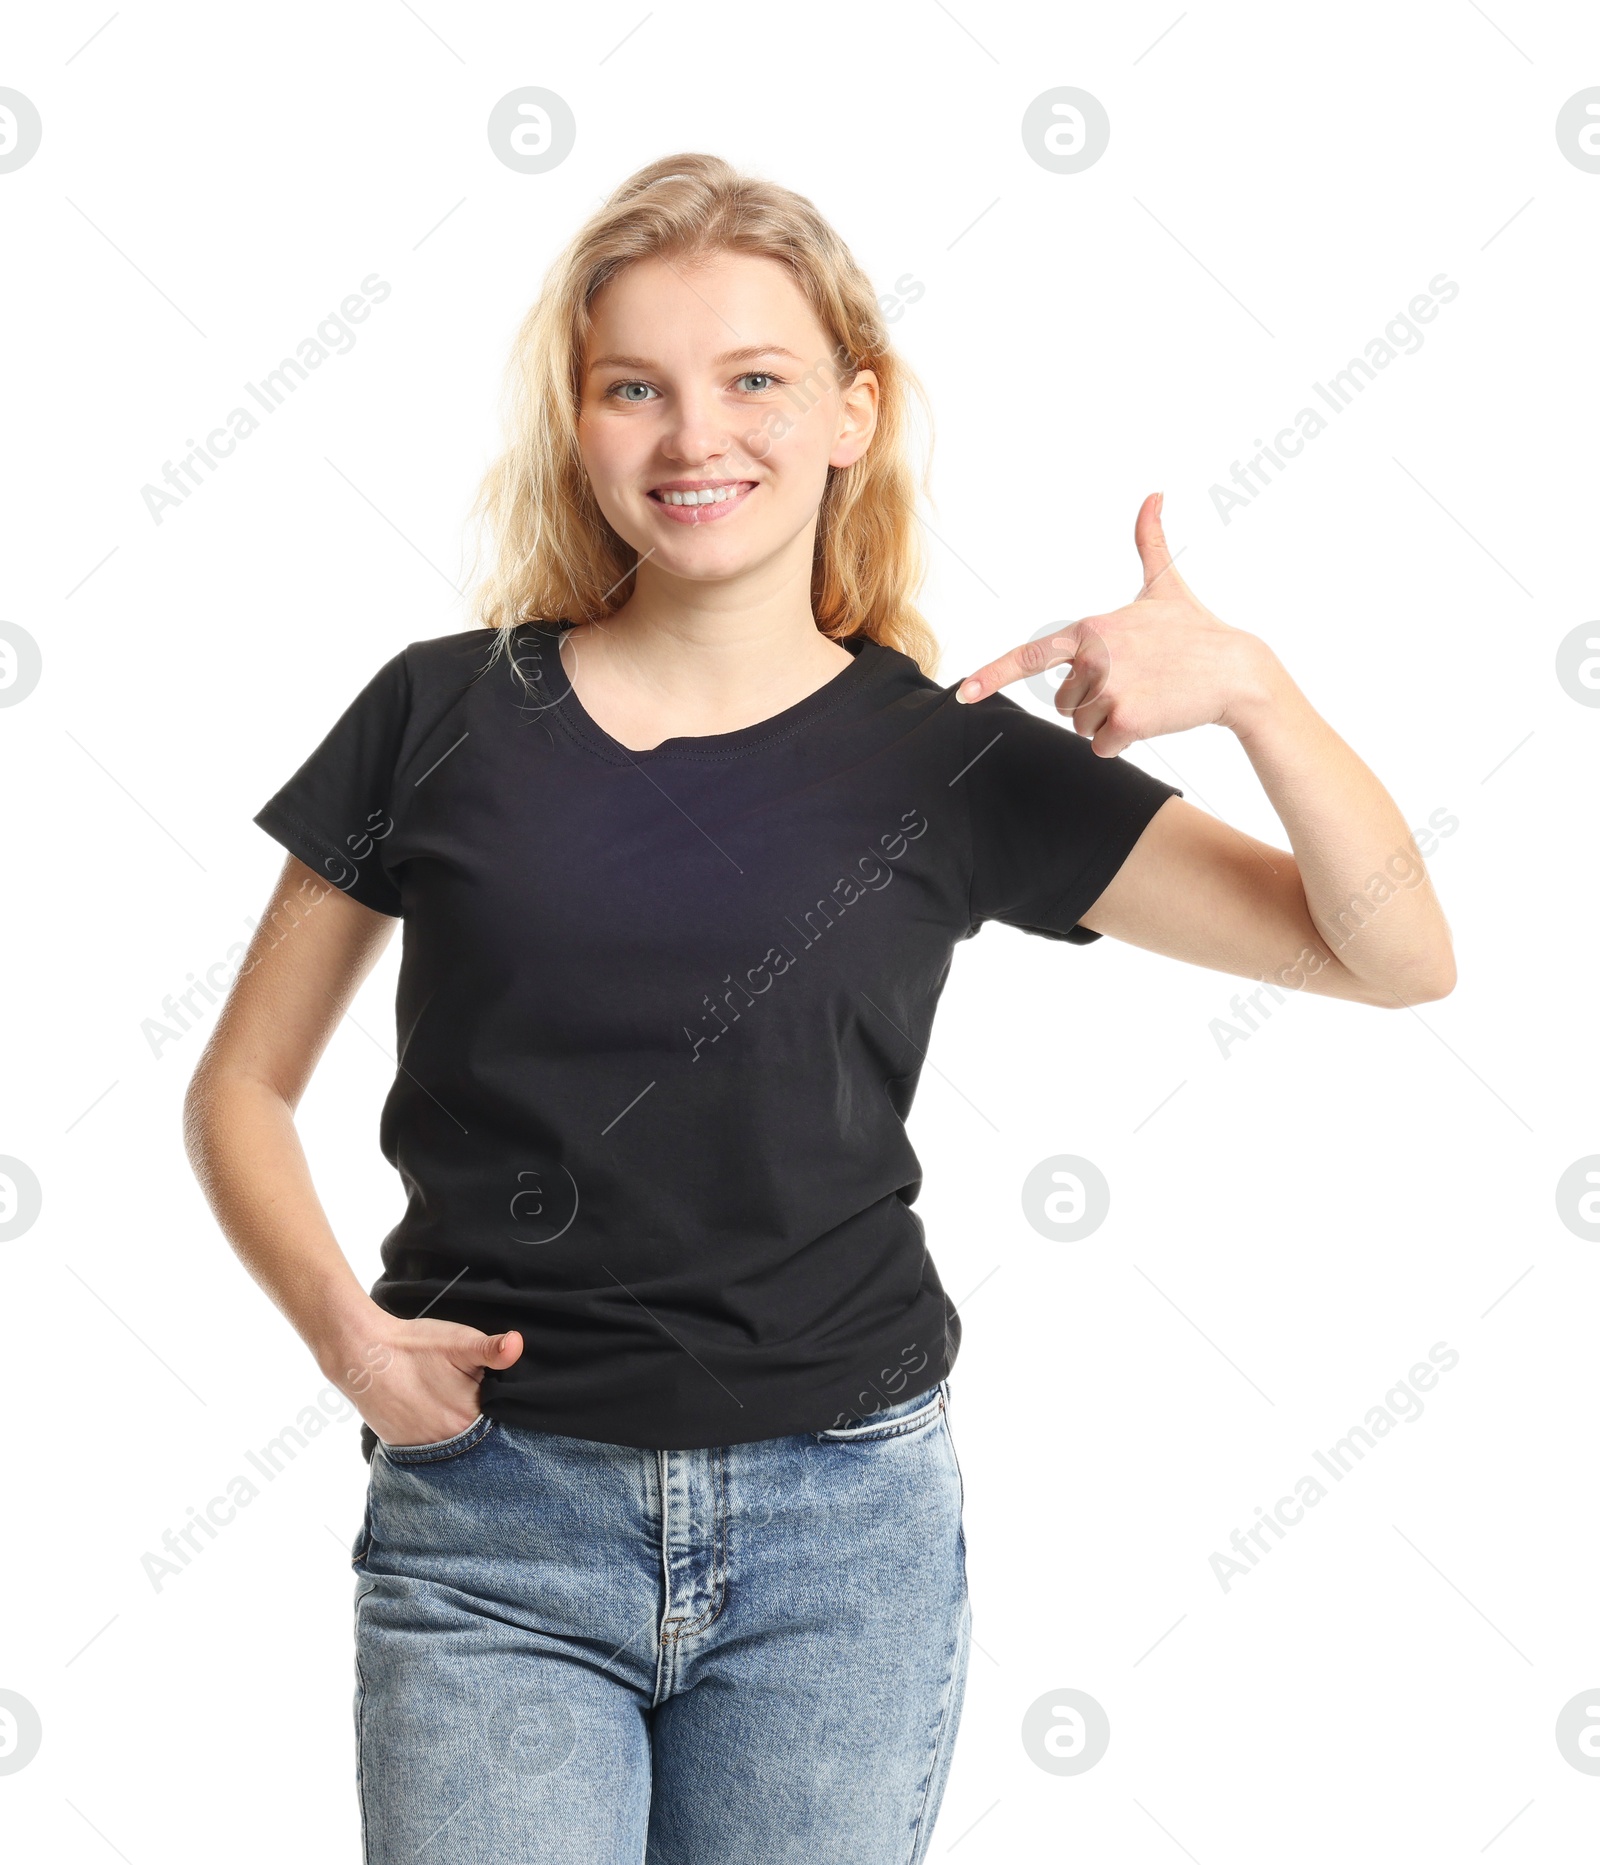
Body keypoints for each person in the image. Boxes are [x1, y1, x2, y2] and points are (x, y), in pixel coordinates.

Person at [182, 151, 1455, 1863]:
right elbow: (240, 1088)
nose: (695, 436)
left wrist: (1256, 693)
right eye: (635, 387)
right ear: (580, 422)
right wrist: (341, 1326)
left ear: (853, 413)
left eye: (755, 380)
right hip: (494, 1517)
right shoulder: (437, 715)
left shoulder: (946, 763)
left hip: (837, 1533)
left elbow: (1391, 953)